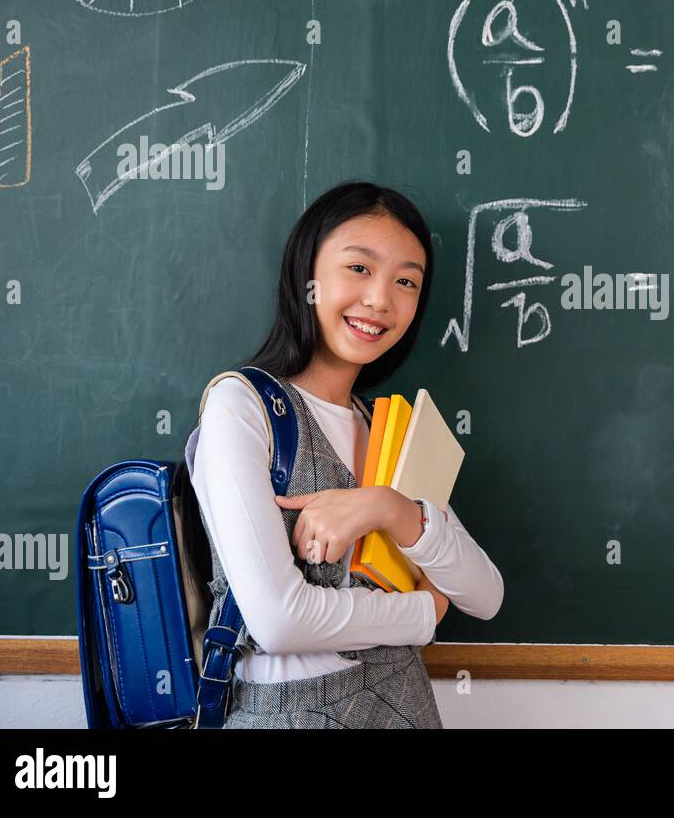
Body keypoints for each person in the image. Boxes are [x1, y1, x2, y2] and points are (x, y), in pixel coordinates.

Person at [172, 180, 503, 728]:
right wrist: (424, 612)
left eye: (406, 282)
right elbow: (279, 621)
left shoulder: (388, 427)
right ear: (308, 275)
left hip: (407, 705)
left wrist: (389, 509)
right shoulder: (242, 404)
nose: (380, 299)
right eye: (359, 268)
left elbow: (485, 593)